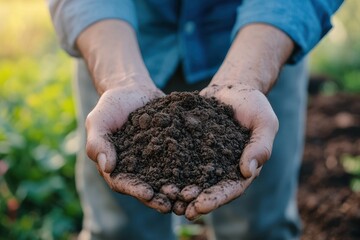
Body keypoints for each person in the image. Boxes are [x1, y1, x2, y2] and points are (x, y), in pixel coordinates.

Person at [48, 1, 343, 239]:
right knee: (121, 230)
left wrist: (245, 79)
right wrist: (120, 81)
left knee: (259, 228)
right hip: (118, 43)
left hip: (262, 41)